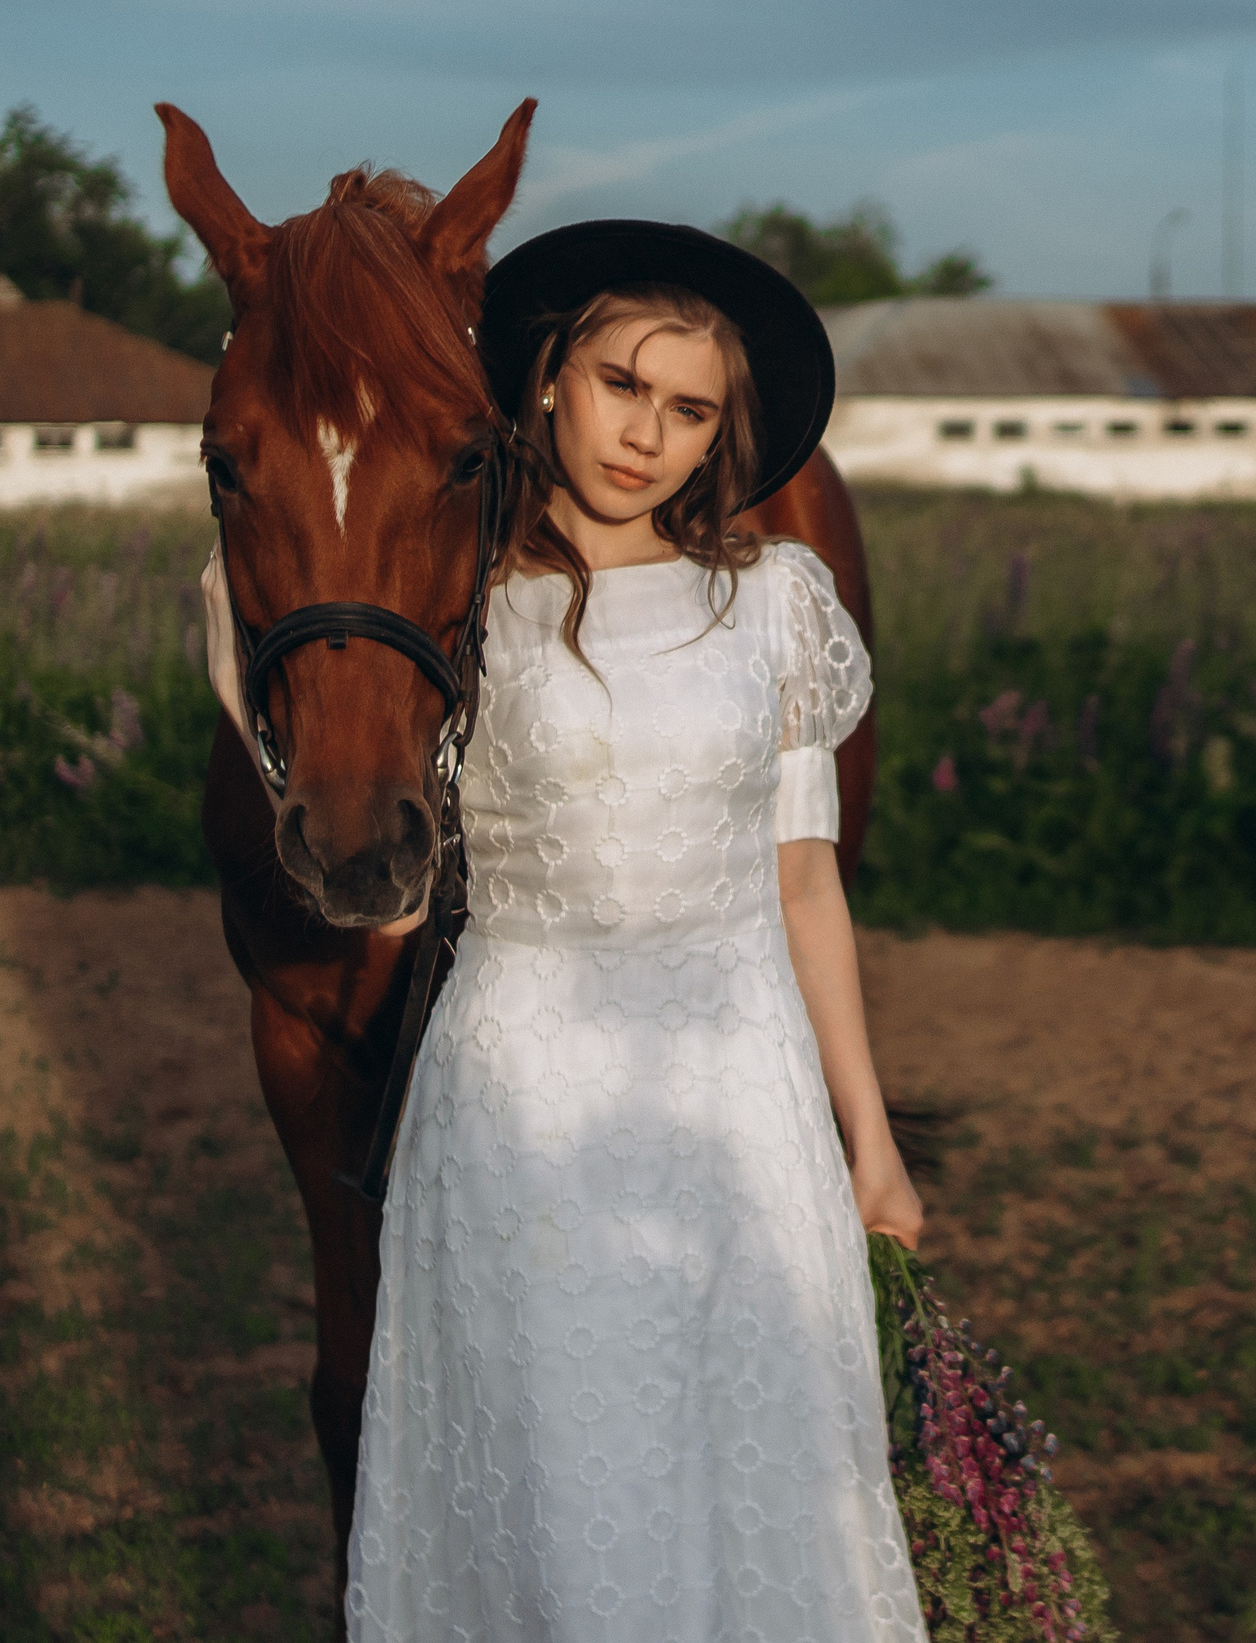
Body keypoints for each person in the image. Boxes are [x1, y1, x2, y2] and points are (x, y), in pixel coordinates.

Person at [344, 220, 929, 1641]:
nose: (646, 435)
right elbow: (377, 837)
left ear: (722, 432)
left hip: (740, 1101)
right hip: (526, 1104)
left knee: (755, 1478)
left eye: (690, 410)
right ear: (551, 376)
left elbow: (806, 886)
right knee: (559, 1488)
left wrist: (871, 1135)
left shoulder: (774, 605)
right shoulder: (460, 610)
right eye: (622, 385)